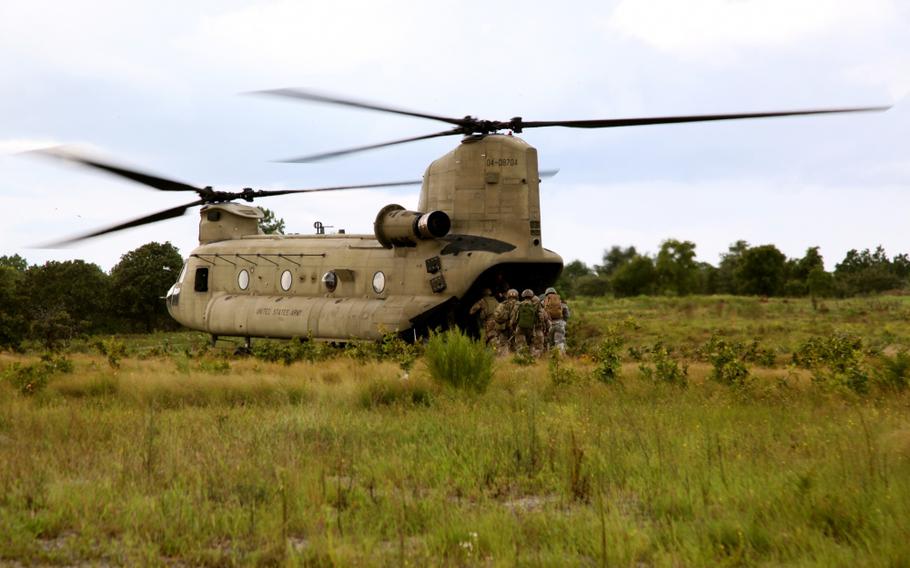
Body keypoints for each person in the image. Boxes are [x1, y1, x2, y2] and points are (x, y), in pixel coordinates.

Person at [491, 288, 519, 355]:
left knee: (503, 344)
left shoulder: (502, 304)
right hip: (516, 328)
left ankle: (504, 359)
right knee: (515, 344)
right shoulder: (519, 304)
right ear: (517, 296)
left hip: (503, 328)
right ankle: (516, 360)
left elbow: (496, 316)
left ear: (508, 296)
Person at [511, 289, 539, 354]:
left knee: (520, 343)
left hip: (520, 327)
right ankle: (532, 357)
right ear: (531, 296)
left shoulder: (519, 304)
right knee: (531, 343)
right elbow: (538, 317)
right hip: (531, 328)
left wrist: (512, 326)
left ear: (523, 296)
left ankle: (521, 359)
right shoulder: (534, 305)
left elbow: (513, 317)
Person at [543, 286, 568, 353]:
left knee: (549, 342)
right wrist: (563, 322)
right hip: (560, 324)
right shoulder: (560, 302)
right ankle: (560, 358)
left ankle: (550, 357)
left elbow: (541, 314)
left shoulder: (543, 302)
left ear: (546, 294)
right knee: (559, 341)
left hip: (549, 325)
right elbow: (566, 314)